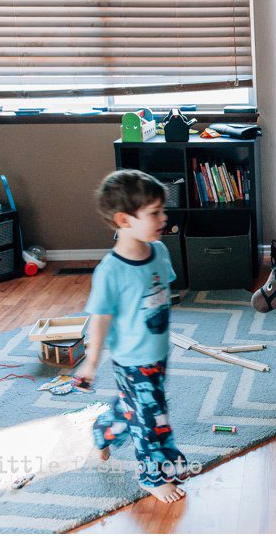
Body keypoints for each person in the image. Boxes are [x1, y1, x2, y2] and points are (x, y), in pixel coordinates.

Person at [76, 169, 187, 503]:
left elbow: (159, 295)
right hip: (132, 361)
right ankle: (153, 477)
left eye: (162, 211)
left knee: (134, 409)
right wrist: (91, 363)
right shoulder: (111, 271)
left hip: (158, 353)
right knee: (152, 420)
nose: (164, 218)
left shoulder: (159, 252)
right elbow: (99, 321)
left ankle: (103, 431)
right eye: (154, 213)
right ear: (124, 220)